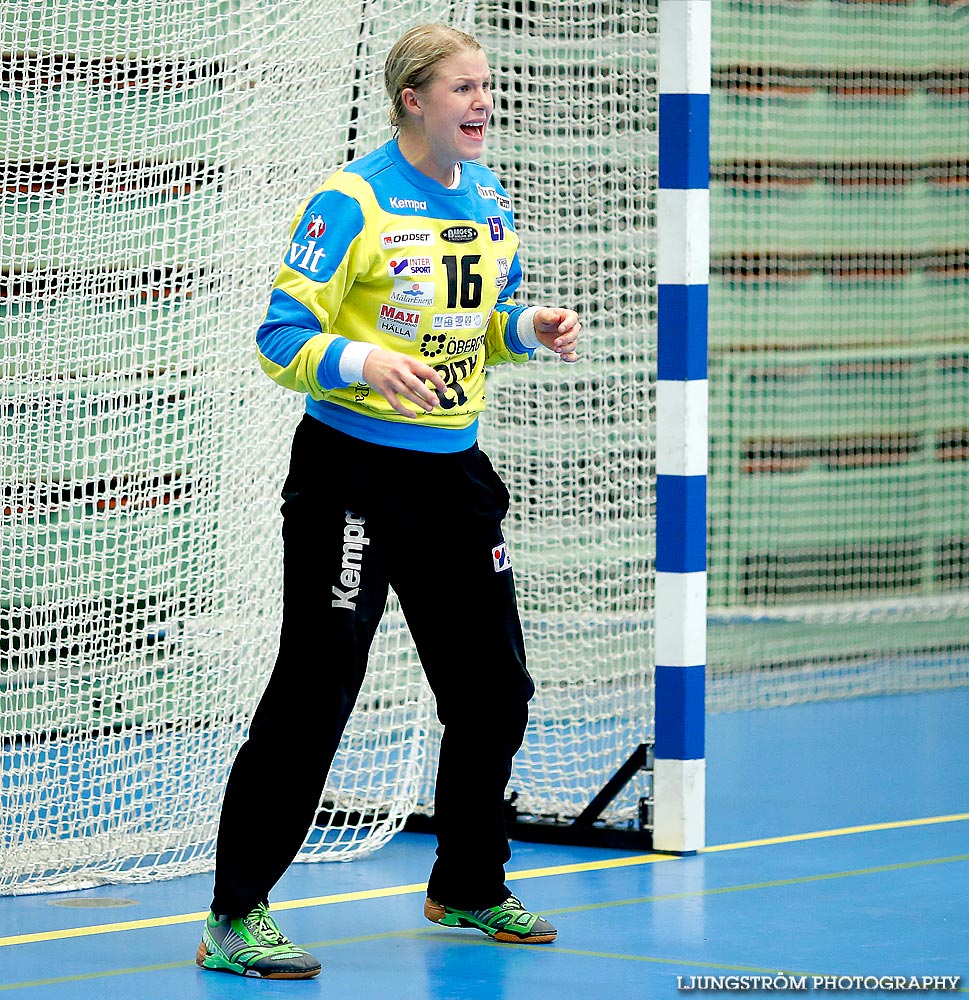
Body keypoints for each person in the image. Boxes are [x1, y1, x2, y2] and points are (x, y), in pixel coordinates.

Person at [195, 22, 581, 980]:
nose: (483, 102)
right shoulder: (351, 200)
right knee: (315, 692)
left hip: (452, 478)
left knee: (494, 688)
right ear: (413, 100)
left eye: (486, 86)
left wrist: (527, 328)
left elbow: (481, 327)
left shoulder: (490, 202)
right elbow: (280, 338)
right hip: (351, 479)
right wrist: (365, 359)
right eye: (463, 89)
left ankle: (467, 884)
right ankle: (234, 916)